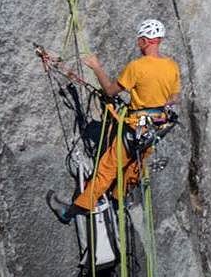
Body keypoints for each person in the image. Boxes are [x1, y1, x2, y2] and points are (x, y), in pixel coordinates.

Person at [47, 19, 181, 223]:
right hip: (155, 129)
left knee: (106, 171)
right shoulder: (172, 66)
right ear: (159, 40)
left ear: (145, 41)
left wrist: (96, 67)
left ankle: (71, 212)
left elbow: (110, 90)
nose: (138, 44)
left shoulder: (137, 67)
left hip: (135, 128)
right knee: (134, 167)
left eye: (139, 40)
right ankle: (119, 200)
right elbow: (174, 98)